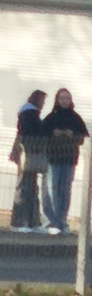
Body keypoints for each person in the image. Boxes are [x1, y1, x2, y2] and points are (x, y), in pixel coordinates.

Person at [41, 88, 89, 235]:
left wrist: (72, 135)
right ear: (57, 100)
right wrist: (53, 133)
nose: (65, 101)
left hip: (69, 159)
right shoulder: (51, 117)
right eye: (62, 98)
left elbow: (85, 136)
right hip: (52, 159)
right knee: (51, 190)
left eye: (67, 98)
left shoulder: (75, 118)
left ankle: (62, 221)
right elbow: (41, 134)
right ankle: (50, 222)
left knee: (65, 190)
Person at [7, 90, 48, 233]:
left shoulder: (27, 113)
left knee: (29, 187)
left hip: (28, 155)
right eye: (43, 101)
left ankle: (31, 221)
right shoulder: (30, 115)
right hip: (29, 154)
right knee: (25, 188)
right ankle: (21, 222)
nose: (43, 104)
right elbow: (30, 133)